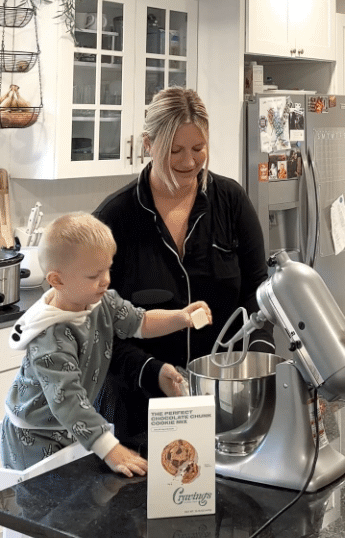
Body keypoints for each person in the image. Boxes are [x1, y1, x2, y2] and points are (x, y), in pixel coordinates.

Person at [91, 87, 270, 454]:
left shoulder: (230, 202)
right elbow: (96, 325)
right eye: (175, 150)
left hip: (225, 399)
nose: (189, 162)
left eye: (198, 149)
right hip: (139, 410)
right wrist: (151, 369)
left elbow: (258, 293)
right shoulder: (114, 219)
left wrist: (261, 368)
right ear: (147, 144)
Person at [1, 214, 210, 477]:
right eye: (94, 275)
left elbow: (140, 321)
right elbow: (68, 401)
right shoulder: (50, 339)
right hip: (33, 436)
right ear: (57, 280)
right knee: (38, 504)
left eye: (107, 268)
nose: (106, 280)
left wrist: (181, 318)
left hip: (72, 426)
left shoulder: (101, 301)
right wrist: (112, 450)